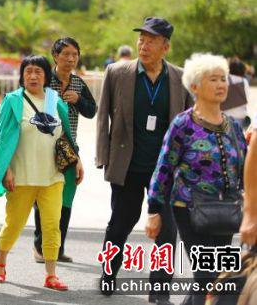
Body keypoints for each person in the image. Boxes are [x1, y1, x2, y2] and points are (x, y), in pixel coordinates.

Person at [96, 17, 192, 304]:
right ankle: (108, 273)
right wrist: (103, 158)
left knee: (167, 228)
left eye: (151, 41)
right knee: (120, 223)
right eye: (141, 39)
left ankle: (160, 288)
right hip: (128, 165)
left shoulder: (179, 77)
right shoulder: (117, 72)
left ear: (166, 47)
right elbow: (103, 118)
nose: (143, 45)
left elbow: (187, 125)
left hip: (165, 170)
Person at [146, 53, 247, 305]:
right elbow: (164, 168)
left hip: (226, 210)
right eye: (213, 79)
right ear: (194, 87)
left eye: (223, 79)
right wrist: (154, 210)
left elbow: (243, 168)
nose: (221, 84)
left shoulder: (234, 125)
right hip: (189, 209)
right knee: (207, 275)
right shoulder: (183, 124)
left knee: (218, 278)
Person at [0, 55, 83, 291]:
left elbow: (65, 134)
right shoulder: (14, 100)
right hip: (22, 177)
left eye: (38, 71)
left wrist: (76, 160)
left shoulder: (54, 100)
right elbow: (3, 139)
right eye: (28, 71)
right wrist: (6, 170)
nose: (33, 76)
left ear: (47, 76)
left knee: (52, 225)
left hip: (52, 178)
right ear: (22, 75)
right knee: (14, 223)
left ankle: (51, 274)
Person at [33, 38, 95, 263]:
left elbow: (92, 111)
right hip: (42, 147)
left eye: (75, 55)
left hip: (69, 150)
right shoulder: (43, 80)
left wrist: (78, 100)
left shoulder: (78, 83)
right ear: (55, 56)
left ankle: (58, 248)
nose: (70, 59)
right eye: (66, 54)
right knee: (43, 196)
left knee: (66, 198)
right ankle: (40, 246)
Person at [222, 58, 251, 129]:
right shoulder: (244, 81)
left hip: (226, 115)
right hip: (241, 115)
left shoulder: (225, 79)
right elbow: (247, 97)